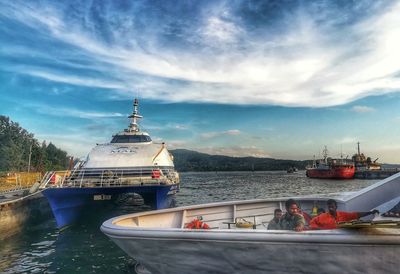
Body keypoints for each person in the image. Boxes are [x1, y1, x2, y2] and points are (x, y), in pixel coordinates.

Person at [310, 199, 379, 230]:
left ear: (336, 207)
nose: (331, 208)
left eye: (332, 206)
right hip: (328, 237)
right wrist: (321, 230)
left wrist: (370, 212)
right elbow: (312, 222)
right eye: (329, 207)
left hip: (341, 236)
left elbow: (356, 215)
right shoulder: (322, 216)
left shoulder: (343, 215)